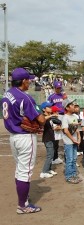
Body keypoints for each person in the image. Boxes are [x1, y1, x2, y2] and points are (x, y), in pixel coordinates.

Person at [1, 68, 45, 214]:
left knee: (20, 169)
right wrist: (44, 114)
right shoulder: (25, 97)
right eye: (28, 80)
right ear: (24, 81)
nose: (30, 82)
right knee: (24, 172)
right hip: (25, 137)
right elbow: (41, 120)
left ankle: (23, 200)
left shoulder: (6, 94)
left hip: (13, 137)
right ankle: (22, 206)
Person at [61, 98, 82, 184]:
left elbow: (76, 129)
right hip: (69, 142)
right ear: (67, 108)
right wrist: (73, 139)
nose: (74, 106)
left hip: (74, 141)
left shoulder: (74, 116)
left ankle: (74, 174)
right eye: (72, 105)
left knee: (74, 159)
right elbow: (66, 131)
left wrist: (79, 137)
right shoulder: (65, 118)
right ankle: (69, 176)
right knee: (69, 159)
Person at [40, 101, 58, 179]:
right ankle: (44, 172)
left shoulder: (49, 117)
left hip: (51, 137)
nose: (51, 108)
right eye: (49, 107)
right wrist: (52, 115)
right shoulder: (43, 116)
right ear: (44, 109)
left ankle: (49, 169)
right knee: (49, 155)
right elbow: (43, 120)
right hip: (47, 138)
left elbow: (50, 127)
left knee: (52, 153)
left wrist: (55, 128)